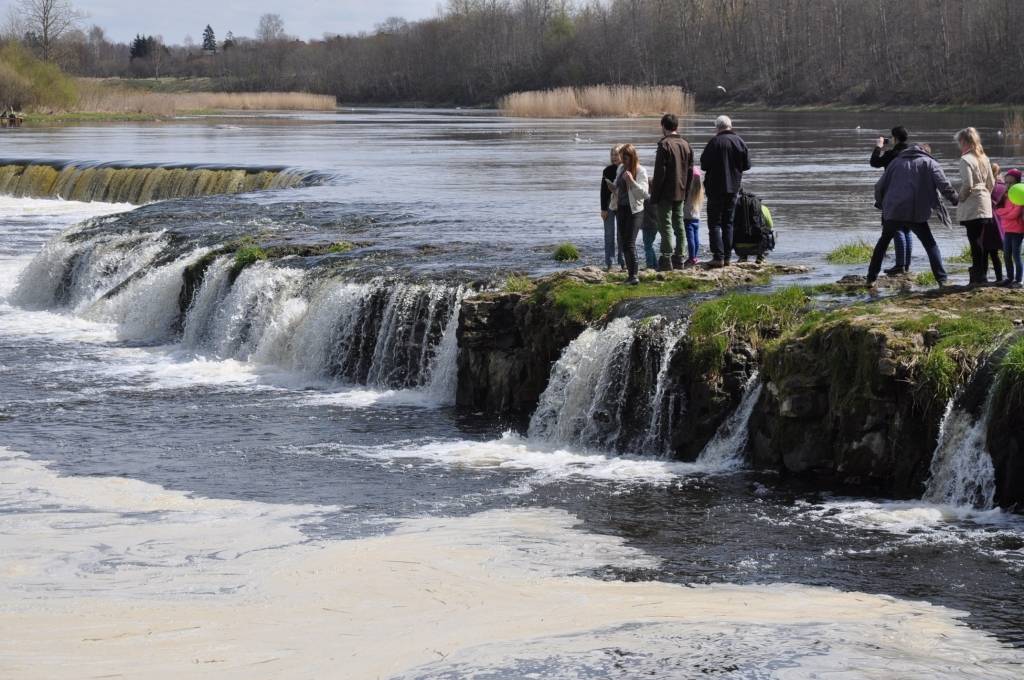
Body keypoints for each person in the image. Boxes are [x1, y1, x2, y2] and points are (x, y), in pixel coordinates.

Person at [869, 143, 958, 287]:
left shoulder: (895, 162)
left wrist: (881, 203)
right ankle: (942, 280)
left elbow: (879, 186)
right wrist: (955, 199)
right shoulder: (930, 163)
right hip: (916, 212)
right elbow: (944, 185)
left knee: (882, 244)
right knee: (930, 245)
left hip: (894, 211)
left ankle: (871, 278)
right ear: (926, 152)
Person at [700, 115, 750, 267]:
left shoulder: (714, 142)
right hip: (733, 188)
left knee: (714, 224)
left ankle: (718, 257)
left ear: (717, 127)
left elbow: (704, 165)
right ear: (730, 126)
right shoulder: (739, 142)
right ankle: (728, 257)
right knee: (728, 223)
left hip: (715, 189)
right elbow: (746, 165)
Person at [955, 127, 999, 284]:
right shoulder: (984, 157)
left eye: (960, 142)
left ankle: (978, 275)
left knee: (974, 240)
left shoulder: (966, 159)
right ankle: (981, 274)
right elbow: (992, 182)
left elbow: (967, 184)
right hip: (984, 201)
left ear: (964, 141)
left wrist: (960, 198)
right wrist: (985, 194)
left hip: (972, 202)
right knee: (980, 239)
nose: (959, 145)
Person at [650, 113, 693, 271]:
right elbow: (690, 172)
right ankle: (680, 257)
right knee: (679, 224)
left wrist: (654, 196)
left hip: (665, 193)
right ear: (677, 126)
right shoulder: (686, 144)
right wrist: (686, 192)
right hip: (681, 191)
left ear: (663, 126)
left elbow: (660, 173)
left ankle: (666, 258)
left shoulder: (664, 145)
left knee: (666, 224)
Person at [869, 127, 913, 275]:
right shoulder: (912, 153)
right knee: (907, 228)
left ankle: (899, 265)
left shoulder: (892, 154)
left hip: (893, 196)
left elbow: (874, 162)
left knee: (896, 229)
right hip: (911, 194)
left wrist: (879, 146)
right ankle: (906, 265)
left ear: (895, 138)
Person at [614, 143, 650, 285]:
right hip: (621, 208)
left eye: (626, 158)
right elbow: (618, 187)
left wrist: (632, 181)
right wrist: (613, 186)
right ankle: (630, 275)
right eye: (622, 158)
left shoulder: (641, 171)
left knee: (630, 243)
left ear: (632, 157)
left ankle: (634, 275)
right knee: (623, 243)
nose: (623, 161)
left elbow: (644, 194)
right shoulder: (620, 168)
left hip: (635, 211)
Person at [995, 168, 1024, 288]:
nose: (1007, 185)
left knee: (1016, 255)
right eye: (1006, 182)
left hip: (1018, 230)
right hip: (1007, 229)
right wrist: (1007, 212)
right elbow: (997, 210)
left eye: (1010, 182)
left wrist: (1006, 213)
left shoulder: (1019, 196)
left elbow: (1015, 214)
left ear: (1017, 183)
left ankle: (1019, 280)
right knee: (1006, 254)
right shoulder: (1005, 196)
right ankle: (1009, 277)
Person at [600, 145, 626, 271]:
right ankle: (610, 263)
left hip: (623, 206)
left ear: (623, 155)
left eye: (616, 154)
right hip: (609, 206)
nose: (614, 157)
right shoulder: (607, 170)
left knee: (622, 235)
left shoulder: (627, 170)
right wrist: (603, 209)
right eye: (612, 155)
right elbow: (603, 192)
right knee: (608, 234)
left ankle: (623, 262)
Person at [683, 167, 703, 266]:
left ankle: (691, 258)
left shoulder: (688, 190)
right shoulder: (699, 191)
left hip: (688, 217)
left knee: (690, 238)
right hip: (697, 217)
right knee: (696, 237)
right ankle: (695, 256)